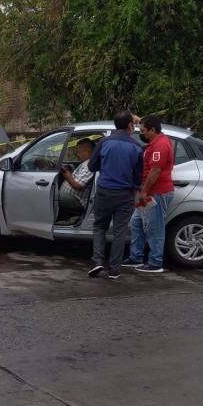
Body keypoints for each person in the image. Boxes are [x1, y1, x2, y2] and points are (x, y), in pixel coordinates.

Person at [86, 110, 143, 279]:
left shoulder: (104, 142)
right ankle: (114, 270)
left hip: (104, 191)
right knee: (119, 232)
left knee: (99, 227)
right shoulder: (137, 147)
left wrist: (106, 166)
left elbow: (91, 166)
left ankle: (97, 262)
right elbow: (138, 176)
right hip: (125, 194)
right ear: (130, 126)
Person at [124, 114, 175, 273]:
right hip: (149, 193)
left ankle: (155, 262)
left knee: (155, 228)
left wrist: (144, 192)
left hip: (155, 193)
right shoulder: (158, 138)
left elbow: (155, 170)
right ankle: (136, 256)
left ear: (153, 130)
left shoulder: (160, 145)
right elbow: (150, 123)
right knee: (137, 223)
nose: (141, 133)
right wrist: (138, 119)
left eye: (144, 131)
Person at [58, 138, 95, 216]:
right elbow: (77, 178)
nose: (77, 155)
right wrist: (68, 172)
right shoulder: (85, 163)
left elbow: (78, 185)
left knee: (49, 195)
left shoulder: (89, 165)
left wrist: (67, 176)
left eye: (79, 152)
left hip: (78, 200)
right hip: (72, 197)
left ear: (86, 152)